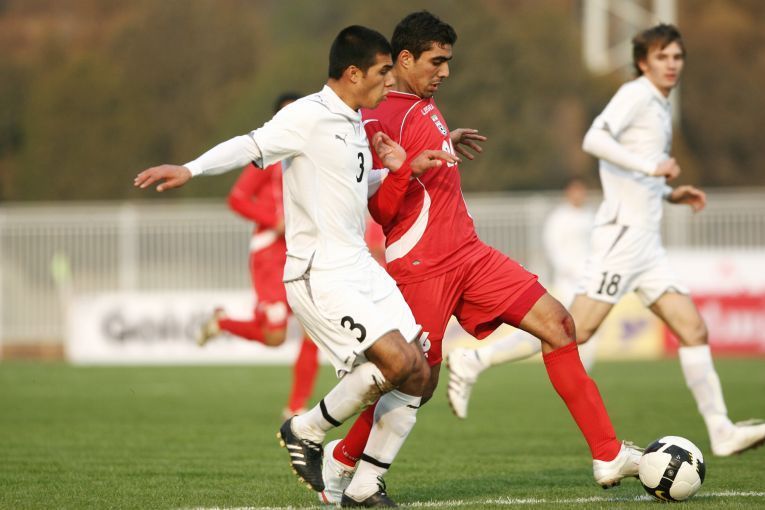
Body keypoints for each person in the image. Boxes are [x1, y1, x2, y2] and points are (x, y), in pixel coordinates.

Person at [317, 11, 642, 505]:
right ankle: (342, 459)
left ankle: (607, 453)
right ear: (404, 59)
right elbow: (382, 210)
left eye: (448, 61)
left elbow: (422, 164)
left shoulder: (421, 103)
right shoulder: (379, 117)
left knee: (559, 324)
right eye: (436, 61)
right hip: (423, 266)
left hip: (469, 254)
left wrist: (442, 142)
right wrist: (408, 168)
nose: (445, 71)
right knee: (416, 379)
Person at [134, 25, 457, 506]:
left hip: (360, 267)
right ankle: (305, 428)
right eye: (384, 71)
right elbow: (248, 144)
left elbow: (352, 185)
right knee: (395, 363)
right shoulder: (307, 115)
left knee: (420, 373)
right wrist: (190, 168)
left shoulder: (354, 121)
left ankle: (364, 486)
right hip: (320, 273)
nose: (391, 80)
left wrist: (402, 167)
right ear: (354, 73)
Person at [446, 23, 765, 458]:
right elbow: (594, 138)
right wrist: (651, 168)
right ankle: (475, 359)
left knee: (694, 329)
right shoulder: (636, 95)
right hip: (622, 241)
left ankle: (721, 430)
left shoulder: (658, 106)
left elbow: (632, 173)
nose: (671, 64)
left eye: (677, 57)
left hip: (648, 247)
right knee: (573, 330)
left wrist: (668, 193)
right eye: (662, 57)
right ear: (643, 62)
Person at [195, 92, 320, 420]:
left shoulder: (314, 156)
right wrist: (272, 220)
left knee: (314, 330)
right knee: (275, 335)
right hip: (270, 254)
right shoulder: (268, 158)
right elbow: (237, 199)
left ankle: (295, 407)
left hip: (304, 250)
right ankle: (222, 322)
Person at [447, 179, 598, 419]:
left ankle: (478, 359)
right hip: (571, 279)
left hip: (593, 278)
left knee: (569, 330)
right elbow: (553, 246)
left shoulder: (590, 216)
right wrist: (570, 270)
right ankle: (478, 358)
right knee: (561, 328)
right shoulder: (560, 218)